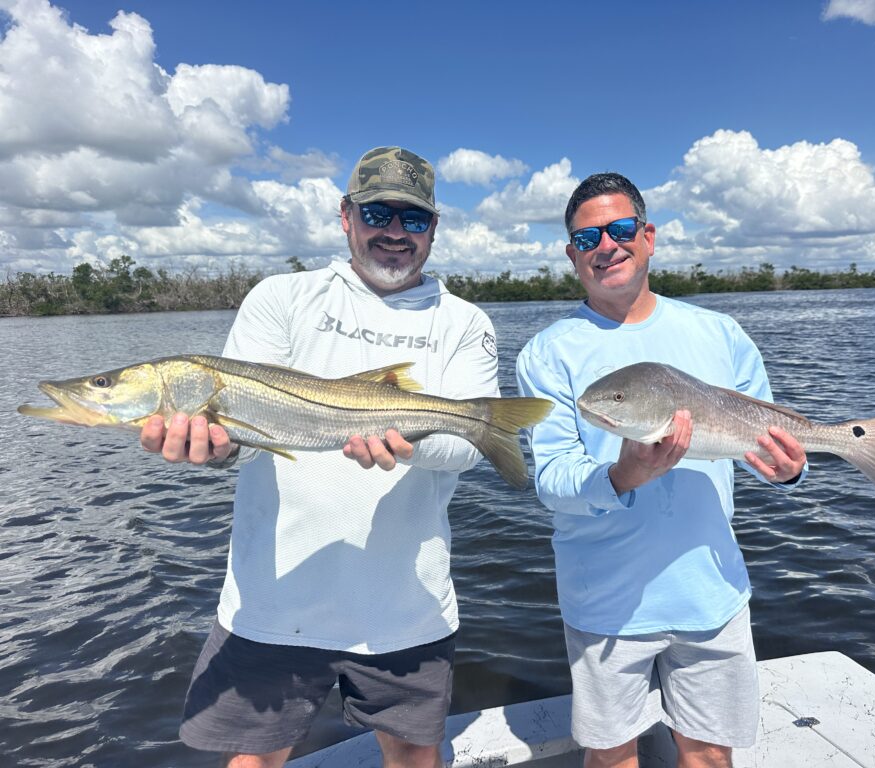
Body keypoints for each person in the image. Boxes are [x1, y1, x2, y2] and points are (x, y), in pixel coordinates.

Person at [140, 146, 502, 768]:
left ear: (434, 228)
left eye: (414, 218)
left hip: (407, 608)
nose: (395, 231)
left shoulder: (466, 322)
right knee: (252, 760)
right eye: (378, 213)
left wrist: (408, 442)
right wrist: (214, 449)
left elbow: (464, 449)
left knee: (416, 757)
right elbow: (243, 438)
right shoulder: (280, 298)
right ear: (346, 215)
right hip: (272, 601)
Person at [515, 172, 808, 768]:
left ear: (648, 237)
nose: (606, 246)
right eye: (588, 237)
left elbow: (760, 445)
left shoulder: (720, 333)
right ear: (572, 254)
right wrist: (622, 476)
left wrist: (787, 471)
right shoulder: (546, 353)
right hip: (604, 598)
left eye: (621, 229)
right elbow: (552, 480)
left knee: (710, 756)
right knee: (611, 757)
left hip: (712, 589)